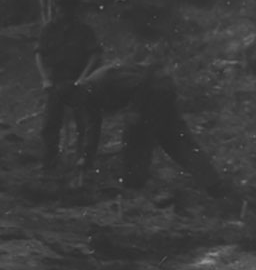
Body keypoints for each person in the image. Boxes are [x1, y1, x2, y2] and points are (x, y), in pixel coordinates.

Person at [70, 62, 229, 197]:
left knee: (135, 139)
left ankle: (133, 191)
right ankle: (214, 185)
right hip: (159, 89)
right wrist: (86, 157)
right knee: (176, 141)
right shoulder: (89, 93)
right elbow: (93, 126)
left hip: (154, 88)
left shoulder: (103, 79)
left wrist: (137, 109)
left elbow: (142, 81)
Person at [36, 0, 102, 174]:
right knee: (49, 125)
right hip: (56, 82)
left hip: (78, 82)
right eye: (61, 9)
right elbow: (39, 54)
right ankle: (49, 165)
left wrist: (83, 78)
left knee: (85, 123)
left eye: (69, 9)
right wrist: (45, 79)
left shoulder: (84, 31)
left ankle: (83, 163)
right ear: (56, 9)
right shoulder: (48, 30)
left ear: (75, 10)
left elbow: (95, 54)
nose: (65, 13)